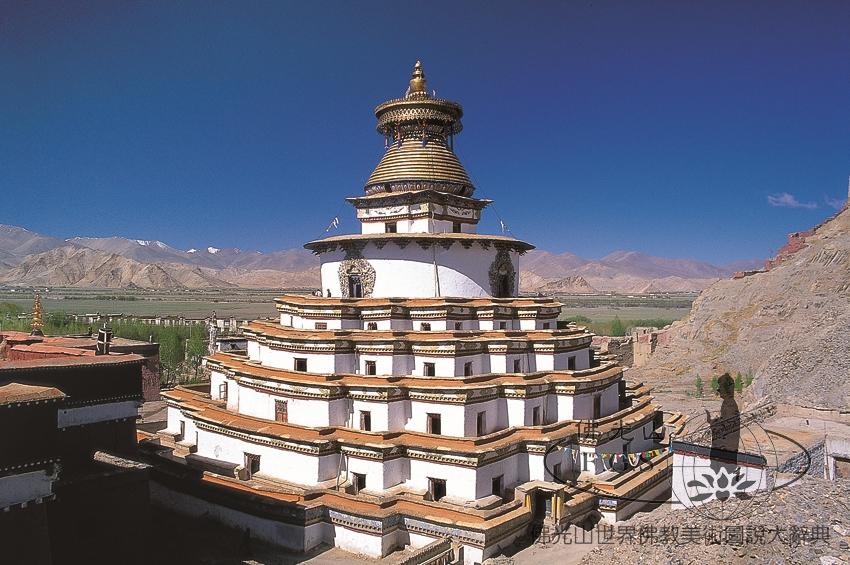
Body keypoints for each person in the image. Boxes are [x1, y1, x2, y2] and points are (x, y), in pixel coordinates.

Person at [705, 373, 740, 468]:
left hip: (726, 453)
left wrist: (712, 422)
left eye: (720, 387)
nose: (718, 390)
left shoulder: (730, 405)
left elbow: (727, 427)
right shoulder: (728, 403)